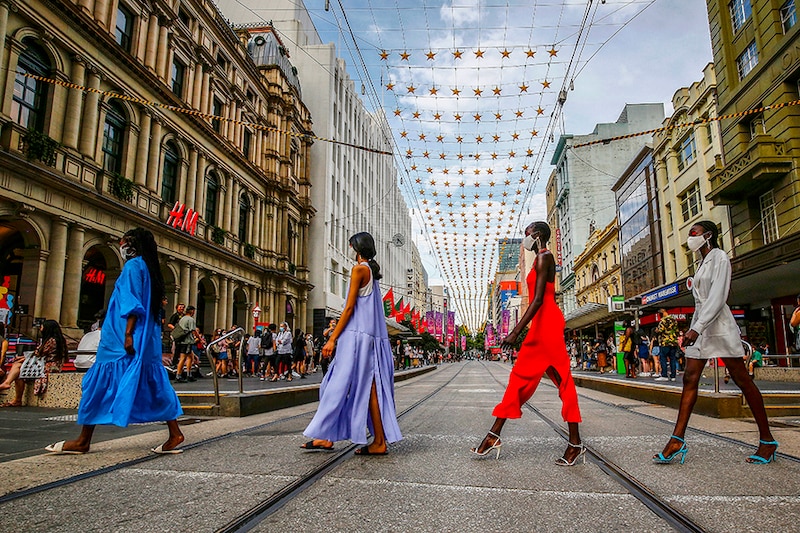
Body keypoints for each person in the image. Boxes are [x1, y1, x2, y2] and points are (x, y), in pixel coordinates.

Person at [46, 228, 184, 454]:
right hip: (146, 337)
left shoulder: (132, 266)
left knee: (97, 385)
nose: (121, 244)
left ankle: (83, 441)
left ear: (132, 243)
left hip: (122, 338)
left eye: (124, 240)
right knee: (155, 385)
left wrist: (128, 334)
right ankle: (175, 433)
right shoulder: (150, 269)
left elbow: (132, 303)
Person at [654, 221, 777, 465]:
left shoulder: (720, 257)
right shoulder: (701, 263)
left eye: (694, 233)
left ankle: (767, 440)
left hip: (718, 326)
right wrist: (695, 327)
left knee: (742, 379)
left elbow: (718, 297)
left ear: (708, 235)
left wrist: (695, 329)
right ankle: (677, 439)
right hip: (700, 325)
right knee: (690, 378)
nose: (690, 237)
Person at [471, 222, 583, 465]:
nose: (525, 238)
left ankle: (575, 443)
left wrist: (515, 332)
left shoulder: (545, 257)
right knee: (520, 379)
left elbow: (539, 299)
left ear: (538, 235)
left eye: (527, 233)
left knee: (562, 381)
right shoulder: (538, 260)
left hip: (547, 326)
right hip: (541, 326)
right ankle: (493, 435)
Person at [301, 232, 402, 455]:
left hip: (357, 338)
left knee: (338, 384)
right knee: (365, 387)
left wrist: (332, 338)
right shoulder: (371, 273)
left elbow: (348, 308)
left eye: (350, 245)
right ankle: (367, 440)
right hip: (369, 338)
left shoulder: (359, 270)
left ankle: (335, 438)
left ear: (355, 247)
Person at [0, 320, 68, 406]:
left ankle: (8, 385)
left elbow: (38, 353)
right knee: (18, 371)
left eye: (42, 327)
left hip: (47, 366)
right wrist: (23, 358)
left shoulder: (51, 341)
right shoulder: (57, 340)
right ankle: (16, 397)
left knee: (17, 365)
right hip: (44, 363)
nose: (40, 329)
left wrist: (22, 359)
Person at [174, 306, 199, 382]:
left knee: (191, 357)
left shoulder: (182, 318)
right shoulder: (190, 319)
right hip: (187, 341)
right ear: (191, 311)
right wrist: (200, 339)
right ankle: (178, 375)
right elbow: (193, 331)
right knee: (183, 358)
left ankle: (189, 374)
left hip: (181, 340)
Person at [654, 308, 679, 382]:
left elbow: (660, 330)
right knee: (673, 359)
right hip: (673, 342)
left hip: (665, 342)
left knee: (663, 358)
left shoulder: (663, 320)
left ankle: (664, 375)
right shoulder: (674, 320)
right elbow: (677, 330)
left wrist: (656, 330)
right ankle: (673, 376)